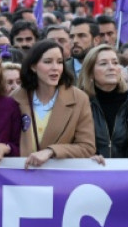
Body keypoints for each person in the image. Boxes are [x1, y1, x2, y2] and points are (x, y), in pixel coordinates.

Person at [12, 40, 95, 168]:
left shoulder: (79, 98)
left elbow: (87, 147)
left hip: (59, 177)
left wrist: (51, 151)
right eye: (48, 62)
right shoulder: (15, 97)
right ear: (33, 67)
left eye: (60, 62)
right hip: (20, 175)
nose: (55, 67)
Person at [78, 44, 128, 170]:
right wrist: (86, 155)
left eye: (115, 63)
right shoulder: (80, 101)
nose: (111, 67)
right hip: (92, 173)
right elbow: (73, 141)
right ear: (90, 72)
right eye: (103, 64)